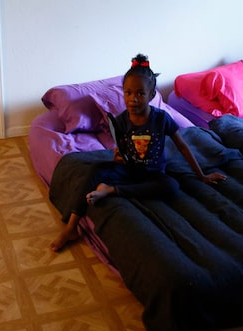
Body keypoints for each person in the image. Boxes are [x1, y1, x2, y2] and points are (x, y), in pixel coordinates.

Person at [50, 54, 226, 252]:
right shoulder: (122, 120)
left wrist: (201, 175)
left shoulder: (161, 119)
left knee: (171, 186)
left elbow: (183, 146)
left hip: (153, 175)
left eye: (140, 94)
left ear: (151, 96)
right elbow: (120, 148)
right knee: (93, 170)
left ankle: (112, 190)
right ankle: (72, 227)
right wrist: (118, 155)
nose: (133, 99)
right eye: (128, 92)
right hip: (127, 170)